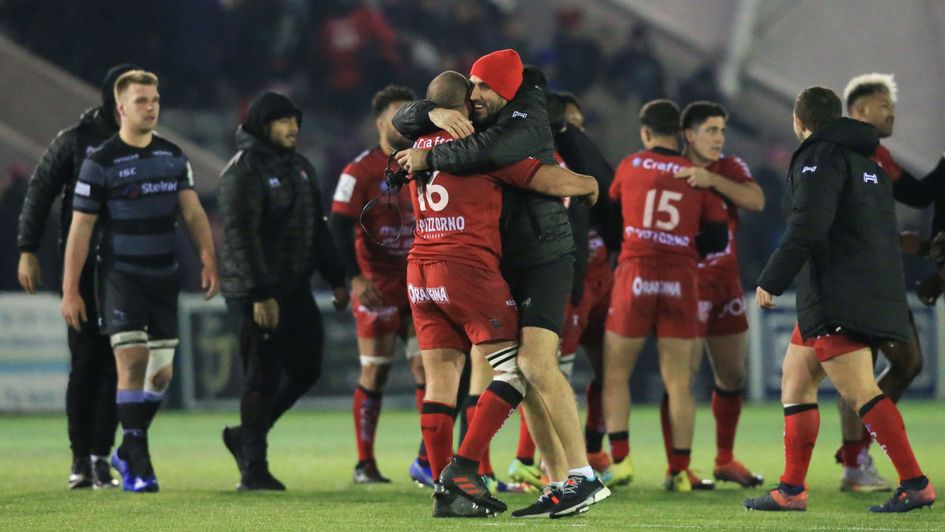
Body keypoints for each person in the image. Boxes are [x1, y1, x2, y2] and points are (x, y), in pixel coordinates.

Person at [393, 49, 608, 517]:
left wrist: (585, 183)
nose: (475, 95)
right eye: (469, 88)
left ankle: (576, 476)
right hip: (478, 264)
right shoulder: (469, 138)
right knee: (520, 370)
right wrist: (583, 184)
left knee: (521, 366)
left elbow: (521, 167)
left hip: (533, 258)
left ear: (506, 89)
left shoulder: (516, 124)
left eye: (484, 86)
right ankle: (547, 480)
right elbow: (532, 175)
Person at [745, 86, 935, 512]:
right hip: (857, 289)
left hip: (837, 292)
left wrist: (772, 278)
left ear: (800, 122)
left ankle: (915, 482)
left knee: (861, 391)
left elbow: (808, 224)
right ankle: (791, 489)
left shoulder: (818, 158)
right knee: (796, 380)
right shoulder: (869, 163)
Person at [60, 70, 218, 493]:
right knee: (130, 362)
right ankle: (139, 460)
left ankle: (128, 447)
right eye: (142, 101)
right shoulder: (101, 162)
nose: (151, 107)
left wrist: (208, 259)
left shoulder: (172, 156)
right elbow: (80, 229)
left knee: (160, 377)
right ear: (121, 109)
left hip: (163, 277)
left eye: (155, 100)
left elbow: (192, 213)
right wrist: (70, 288)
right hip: (121, 277)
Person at [218, 91, 350, 491]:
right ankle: (253, 469)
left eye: (295, 120)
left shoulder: (301, 168)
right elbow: (241, 238)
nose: (292, 128)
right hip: (255, 292)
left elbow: (317, 229)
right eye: (282, 121)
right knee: (262, 375)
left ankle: (246, 436)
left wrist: (337, 277)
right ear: (262, 125)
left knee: (307, 369)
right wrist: (259, 294)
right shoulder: (243, 171)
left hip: (294, 288)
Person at [17, 64, 139, 490]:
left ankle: (99, 456)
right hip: (84, 269)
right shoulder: (74, 141)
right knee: (88, 362)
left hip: (130, 269)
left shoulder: (147, 144)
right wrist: (27, 249)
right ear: (113, 98)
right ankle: (79, 456)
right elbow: (39, 192)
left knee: (116, 364)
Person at [601, 99, 729, 492]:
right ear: (679, 134)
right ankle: (679, 470)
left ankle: (620, 462)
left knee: (616, 373)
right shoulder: (696, 174)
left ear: (644, 133)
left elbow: (613, 209)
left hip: (635, 276)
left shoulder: (629, 166)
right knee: (678, 382)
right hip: (680, 278)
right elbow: (718, 238)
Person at [831, 73, 945, 491]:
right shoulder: (839, 154)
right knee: (856, 371)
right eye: (884, 105)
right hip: (853, 277)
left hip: (881, 273)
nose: (891, 112)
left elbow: (916, 195)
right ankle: (853, 464)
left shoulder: (879, 155)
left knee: (908, 362)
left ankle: (855, 453)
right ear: (860, 110)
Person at [329, 85, 427, 484]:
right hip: (377, 283)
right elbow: (337, 225)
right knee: (375, 372)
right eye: (396, 115)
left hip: (420, 279)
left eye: (410, 115)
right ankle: (364, 462)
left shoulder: (427, 162)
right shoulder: (360, 170)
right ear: (380, 122)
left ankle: (429, 458)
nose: (404, 123)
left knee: (429, 370)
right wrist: (353, 276)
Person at [665, 101, 765, 488]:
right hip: (686, 286)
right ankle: (678, 466)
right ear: (689, 135)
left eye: (722, 130)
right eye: (711, 130)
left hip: (725, 285)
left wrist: (712, 182)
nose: (719, 138)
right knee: (681, 377)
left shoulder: (730, 168)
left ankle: (725, 459)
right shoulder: (669, 169)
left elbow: (756, 201)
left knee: (733, 374)